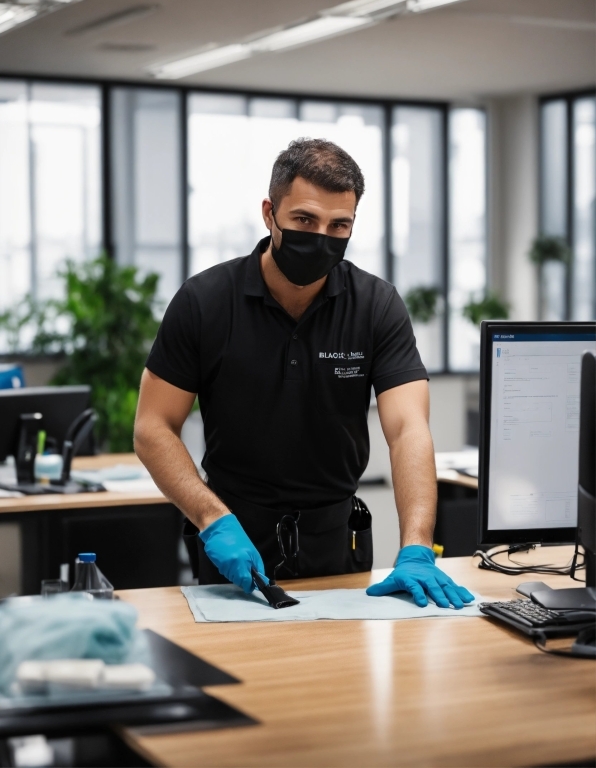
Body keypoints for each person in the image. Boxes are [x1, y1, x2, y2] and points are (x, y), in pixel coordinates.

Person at [134, 138, 473, 610]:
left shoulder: (376, 305)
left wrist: (416, 544)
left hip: (339, 540)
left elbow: (408, 429)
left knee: (336, 680)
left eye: (339, 225)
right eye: (304, 220)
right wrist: (213, 519)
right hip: (232, 535)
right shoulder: (205, 301)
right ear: (270, 212)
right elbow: (153, 428)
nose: (320, 237)